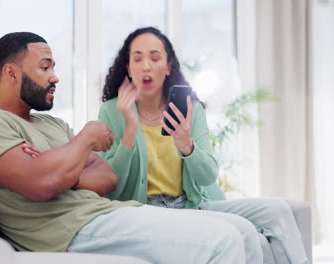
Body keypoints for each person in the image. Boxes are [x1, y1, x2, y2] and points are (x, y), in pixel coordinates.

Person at [0, 31, 250, 264]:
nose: (55, 76)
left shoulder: (52, 126)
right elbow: (41, 184)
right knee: (223, 241)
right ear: (11, 73)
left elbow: (107, 177)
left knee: (243, 232)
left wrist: (56, 166)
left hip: (109, 213)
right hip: (73, 232)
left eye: (54, 67)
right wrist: (82, 142)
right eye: (45, 67)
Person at [98, 27, 309, 264]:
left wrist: (187, 145)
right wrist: (129, 130)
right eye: (137, 58)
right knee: (244, 231)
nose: (146, 65)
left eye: (155, 58)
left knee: (278, 211)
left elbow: (207, 176)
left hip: (189, 206)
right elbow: (110, 187)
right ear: (128, 68)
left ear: (168, 67)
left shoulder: (190, 109)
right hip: (145, 212)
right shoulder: (112, 111)